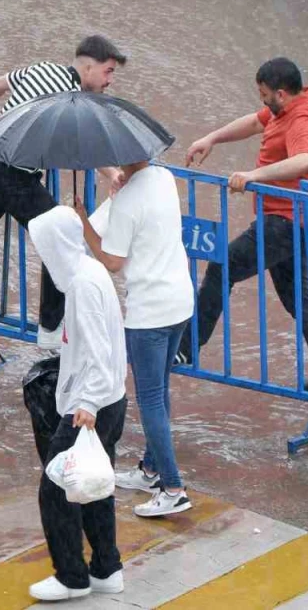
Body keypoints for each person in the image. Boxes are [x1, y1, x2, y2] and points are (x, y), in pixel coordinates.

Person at [0, 36, 128, 349]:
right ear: (88, 66)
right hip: (14, 175)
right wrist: (114, 173)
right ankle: (50, 327)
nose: (110, 80)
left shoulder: (41, 69)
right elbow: (82, 148)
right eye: (108, 71)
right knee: (60, 236)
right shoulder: (73, 99)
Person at [178, 57, 308, 392]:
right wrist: (212, 138)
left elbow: (304, 160)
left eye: (264, 94)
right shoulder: (289, 106)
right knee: (301, 300)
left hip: (286, 223)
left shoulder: (304, 117)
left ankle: (186, 349)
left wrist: (252, 176)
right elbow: (254, 123)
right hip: (296, 222)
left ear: (281, 94)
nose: (262, 101)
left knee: (221, 266)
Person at [76, 160, 195, 518]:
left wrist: (83, 221)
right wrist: (120, 190)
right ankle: (150, 470)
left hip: (150, 314)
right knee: (160, 390)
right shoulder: (165, 177)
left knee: (150, 400)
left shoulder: (126, 201)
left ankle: (173, 488)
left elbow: (112, 260)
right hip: (180, 302)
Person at [26, 206, 128, 602]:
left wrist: (84, 404)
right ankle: (106, 567)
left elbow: (98, 352)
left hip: (91, 406)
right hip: (109, 400)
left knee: (56, 487)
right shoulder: (89, 273)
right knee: (95, 485)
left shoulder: (83, 286)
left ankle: (71, 576)